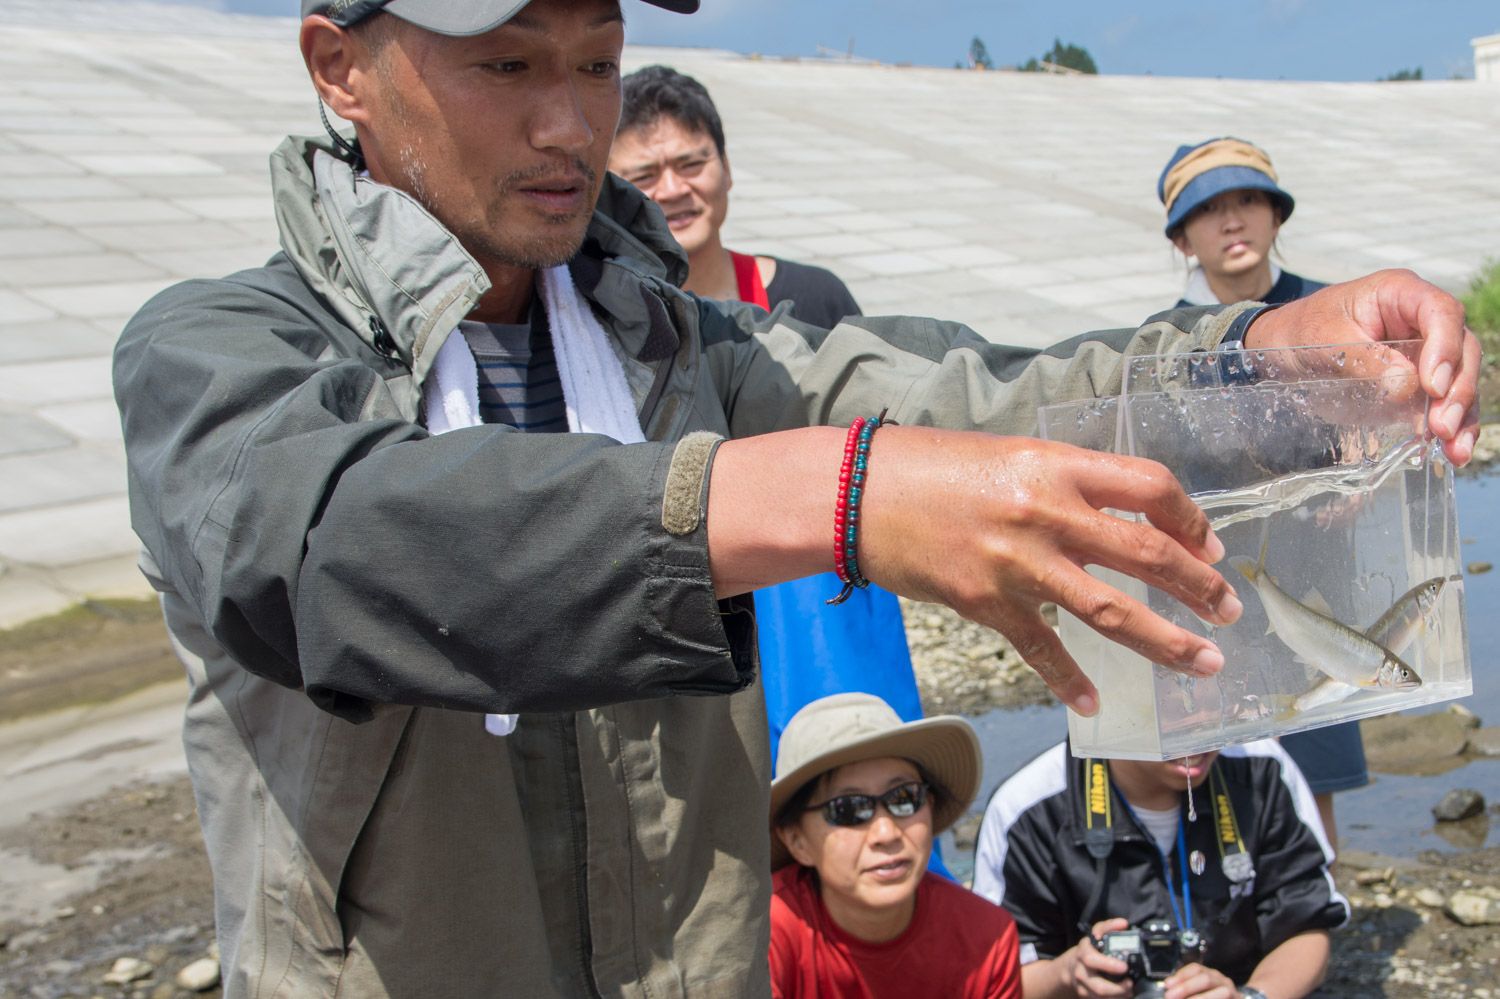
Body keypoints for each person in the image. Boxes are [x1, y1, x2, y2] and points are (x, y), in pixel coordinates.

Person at [109, 0, 1480, 992]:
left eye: (595, 60)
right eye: (505, 62)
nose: (566, 120)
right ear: (338, 65)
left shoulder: (686, 349)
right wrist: (836, 492)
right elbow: (342, 539)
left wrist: (1249, 363)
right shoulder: (222, 354)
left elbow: (971, 391)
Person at [609, 64, 923, 766]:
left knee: (869, 780)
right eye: (644, 173)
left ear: (724, 166)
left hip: (835, 593)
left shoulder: (812, 297)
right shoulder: (612, 327)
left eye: (693, 162)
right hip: (703, 595)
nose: (674, 189)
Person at [1159, 135, 1366, 851]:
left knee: (1318, 765)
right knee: (1221, 761)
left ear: (1277, 216)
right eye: (1209, 209)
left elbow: (1385, 424)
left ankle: (1319, 911)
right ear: (1183, 237)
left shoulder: (1331, 311)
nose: (1233, 220)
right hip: (1219, 581)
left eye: (1248, 200)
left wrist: (1370, 465)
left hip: (1324, 579)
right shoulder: (1163, 340)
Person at [972, 740, 1348, 999]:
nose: (1191, 735)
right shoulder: (1027, 808)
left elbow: (1308, 926)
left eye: (1206, 706)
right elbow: (1000, 979)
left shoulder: (1262, 767)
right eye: (1161, 714)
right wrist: (1069, 973)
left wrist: (1250, 994)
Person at [769, 693, 1021, 998]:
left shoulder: (986, 939)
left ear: (929, 803)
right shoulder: (764, 935)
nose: (886, 833)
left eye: (904, 799)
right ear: (797, 841)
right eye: (848, 809)